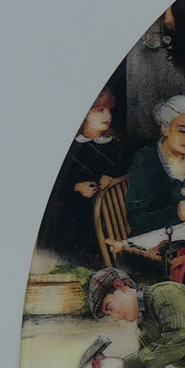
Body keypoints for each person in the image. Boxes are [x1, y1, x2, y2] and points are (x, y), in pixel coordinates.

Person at [38, 88, 130, 264]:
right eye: (100, 110)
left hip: (106, 212)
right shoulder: (70, 146)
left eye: (109, 110)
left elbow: (125, 169)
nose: (107, 115)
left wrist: (111, 179)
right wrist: (76, 186)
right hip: (73, 211)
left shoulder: (115, 143)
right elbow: (54, 181)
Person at [126, 95, 185, 234]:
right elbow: (135, 219)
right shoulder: (145, 158)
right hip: (155, 240)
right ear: (165, 128)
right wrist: (175, 214)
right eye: (183, 131)